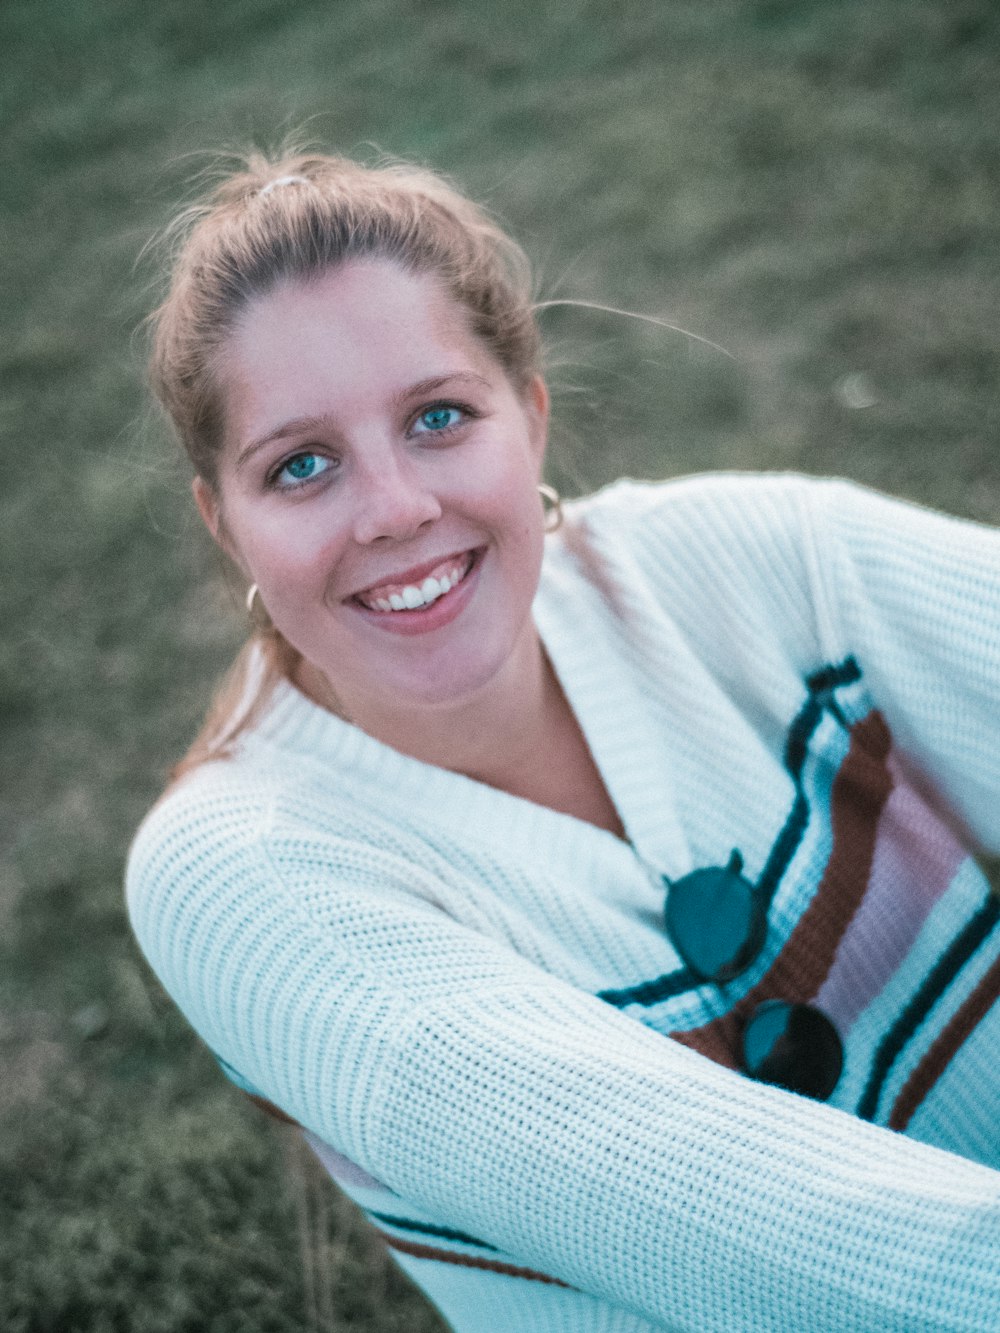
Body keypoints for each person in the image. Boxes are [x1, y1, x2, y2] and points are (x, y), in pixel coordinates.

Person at [126, 149, 1000, 1333]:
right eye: (302, 465)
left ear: (528, 418)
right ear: (224, 523)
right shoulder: (234, 876)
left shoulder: (756, 560)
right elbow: (742, 1226)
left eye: (438, 416)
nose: (393, 509)